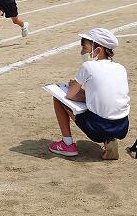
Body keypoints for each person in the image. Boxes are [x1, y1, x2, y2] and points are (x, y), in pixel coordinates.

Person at [48, 28, 130, 160]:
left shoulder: (88, 66)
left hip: (98, 128)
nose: (82, 52)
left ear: (98, 50)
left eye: (85, 48)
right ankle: (108, 140)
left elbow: (69, 95)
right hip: (122, 126)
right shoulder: (121, 68)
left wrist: (74, 87)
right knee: (101, 104)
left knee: (58, 97)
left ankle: (67, 144)